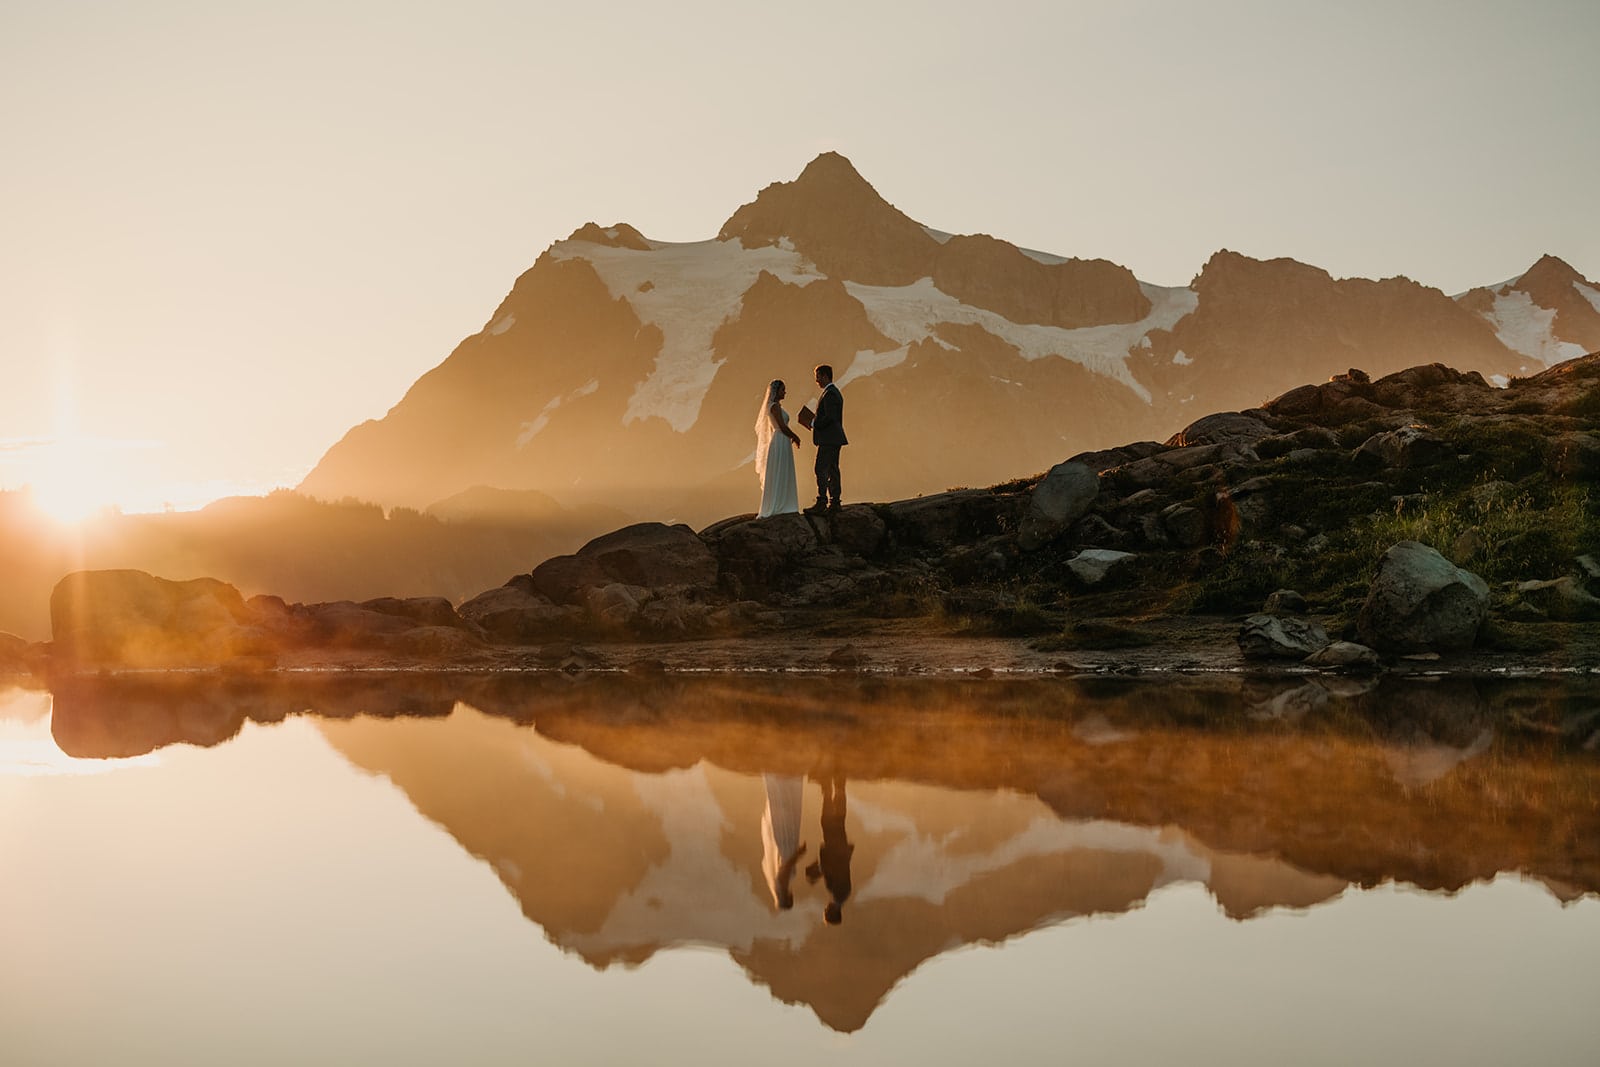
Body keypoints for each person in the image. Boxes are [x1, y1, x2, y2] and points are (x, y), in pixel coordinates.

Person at [804, 775, 853, 925]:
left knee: (837, 820)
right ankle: (828, 785)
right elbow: (833, 868)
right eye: (826, 911)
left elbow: (834, 870)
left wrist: (820, 871)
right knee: (829, 821)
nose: (825, 908)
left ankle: (838, 783)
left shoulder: (842, 895)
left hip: (839, 848)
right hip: (835, 848)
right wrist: (817, 872)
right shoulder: (838, 894)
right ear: (831, 912)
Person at [754, 378, 802, 518]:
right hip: (780, 440)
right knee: (781, 469)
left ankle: (783, 502)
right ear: (776, 391)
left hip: (782, 440)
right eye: (783, 389)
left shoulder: (776, 406)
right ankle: (779, 504)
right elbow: (781, 426)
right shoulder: (774, 407)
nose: (785, 392)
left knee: (782, 470)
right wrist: (795, 436)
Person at [805, 364, 847, 514]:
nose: (817, 381)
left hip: (829, 439)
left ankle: (822, 501)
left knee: (821, 468)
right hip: (834, 438)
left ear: (824, 376)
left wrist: (814, 423)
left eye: (818, 377)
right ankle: (834, 501)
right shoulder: (833, 392)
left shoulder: (829, 394)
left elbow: (830, 417)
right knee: (832, 469)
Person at [760, 774, 806, 910]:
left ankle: (785, 781)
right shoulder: (777, 884)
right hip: (783, 844)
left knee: (788, 815)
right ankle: (783, 781)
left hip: (787, 847)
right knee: (783, 815)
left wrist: (798, 854)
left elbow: (784, 869)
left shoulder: (783, 884)